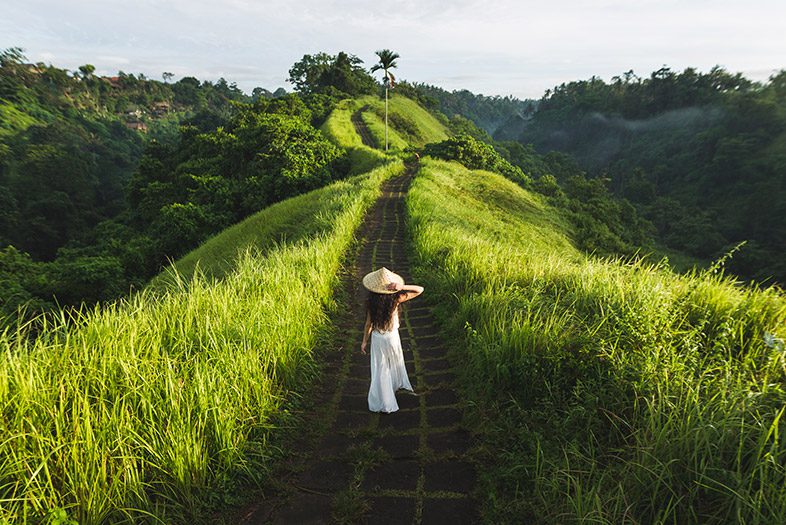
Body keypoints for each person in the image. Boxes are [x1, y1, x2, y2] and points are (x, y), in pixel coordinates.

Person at [360, 267, 424, 413]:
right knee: (395, 362)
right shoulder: (396, 299)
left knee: (380, 368)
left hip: (377, 339)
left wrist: (364, 341)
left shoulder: (371, 302)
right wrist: (402, 287)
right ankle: (394, 388)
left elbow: (368, 324)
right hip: (392, 337)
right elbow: (420, 289)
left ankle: (386, 401)